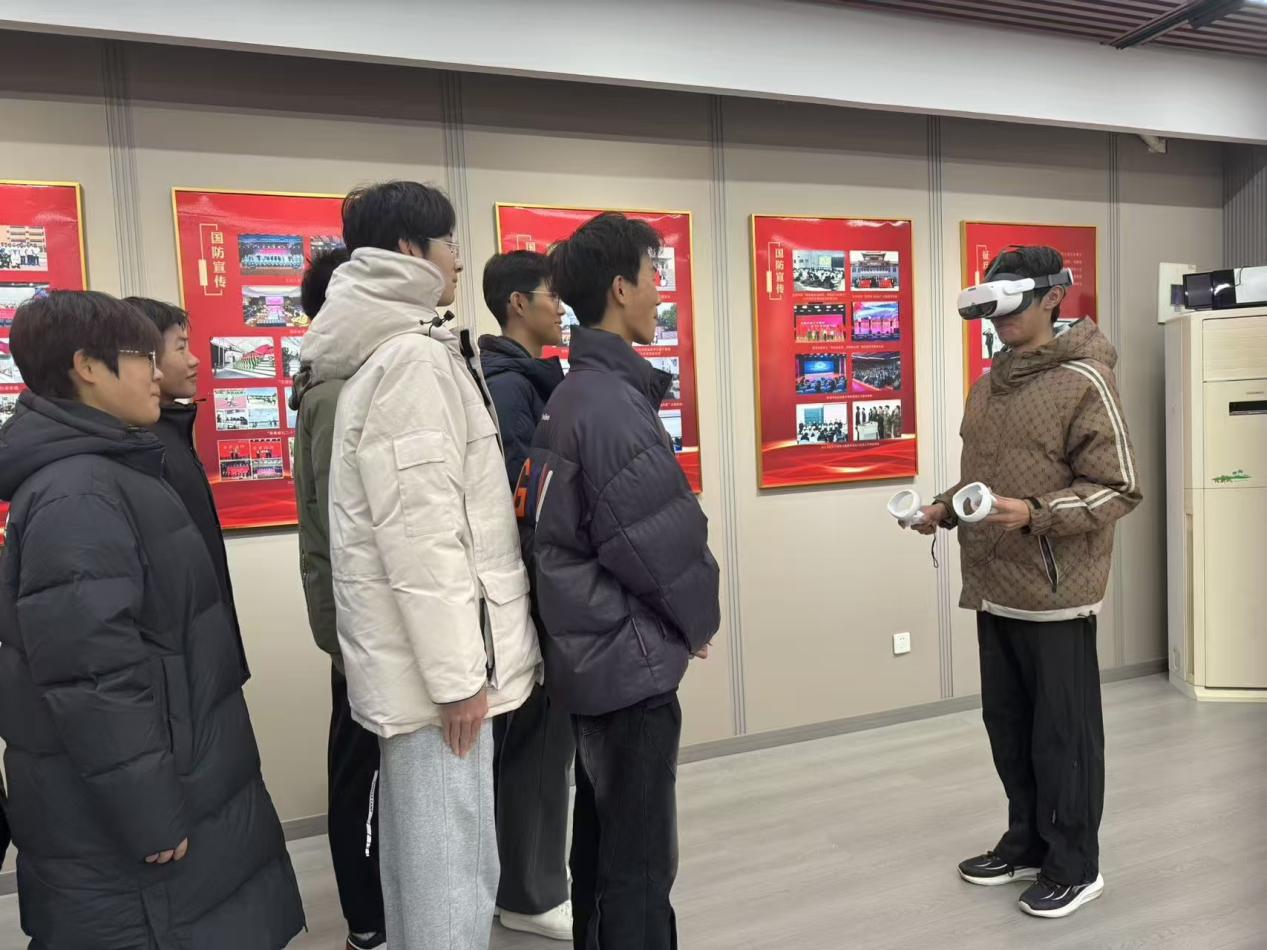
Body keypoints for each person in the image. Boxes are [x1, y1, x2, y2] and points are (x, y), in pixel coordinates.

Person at [0, 291, 304, 948]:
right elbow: (94, 676)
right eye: (142, 355)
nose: (157, 372)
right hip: (138, 828)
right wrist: (150, 812)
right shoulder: (77, 494)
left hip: (179, 778)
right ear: (88, 366)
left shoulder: (110, 471)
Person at [302, 181, 541, 950]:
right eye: (449, 245)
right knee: (450, 873)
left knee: (429, 868)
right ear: (409, 251)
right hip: (437, 684)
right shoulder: (410, 361)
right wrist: (457, 678)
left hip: (423, 676)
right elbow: (424, 538)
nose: (459, 262)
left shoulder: (390, 351)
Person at [906, 246, 1140, 919]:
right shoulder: (991, 383)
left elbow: (1119, 487)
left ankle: (1075, 864)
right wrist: (945, 508)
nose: (999, 320)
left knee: (1063, 735)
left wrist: (1036, 514)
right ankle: (1028, 843)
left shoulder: (1085, 380)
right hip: (993, 582)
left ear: (1052, 298)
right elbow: (983, 479)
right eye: (990, 307)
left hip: (1055, 592)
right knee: (1008, 726)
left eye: (1011, 305)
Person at [518, 213, 721, 950]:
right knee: (639, 863)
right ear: (619, 288)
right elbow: (658, 541)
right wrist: (697, 619)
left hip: (595, 653)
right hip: (624, 661)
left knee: (603, 844)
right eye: (652, 274)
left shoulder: (580, 393)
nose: (660, 291)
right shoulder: (608, 406)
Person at [290, 245, 388, 950]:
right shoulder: (334, 395)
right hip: (362, 630)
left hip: (371, 626)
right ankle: (367, 922)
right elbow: (344, 531)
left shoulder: (349, 383)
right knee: (361, 776)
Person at [478, 251, 574, 941]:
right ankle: (530, 894)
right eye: (549, 295)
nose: (560, 307)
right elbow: (526, 502)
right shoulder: (510, 389)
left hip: (537, 586)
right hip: (535, 589)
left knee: (536, 744)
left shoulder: (529, 378)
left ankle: (523, 880)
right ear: (517, 304)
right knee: (537, 744)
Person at [127, 296, 249, 679]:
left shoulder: (170, 432)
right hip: (183, 660)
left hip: (204, 647)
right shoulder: (144, 446)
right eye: (180, 348)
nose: (195, 360)